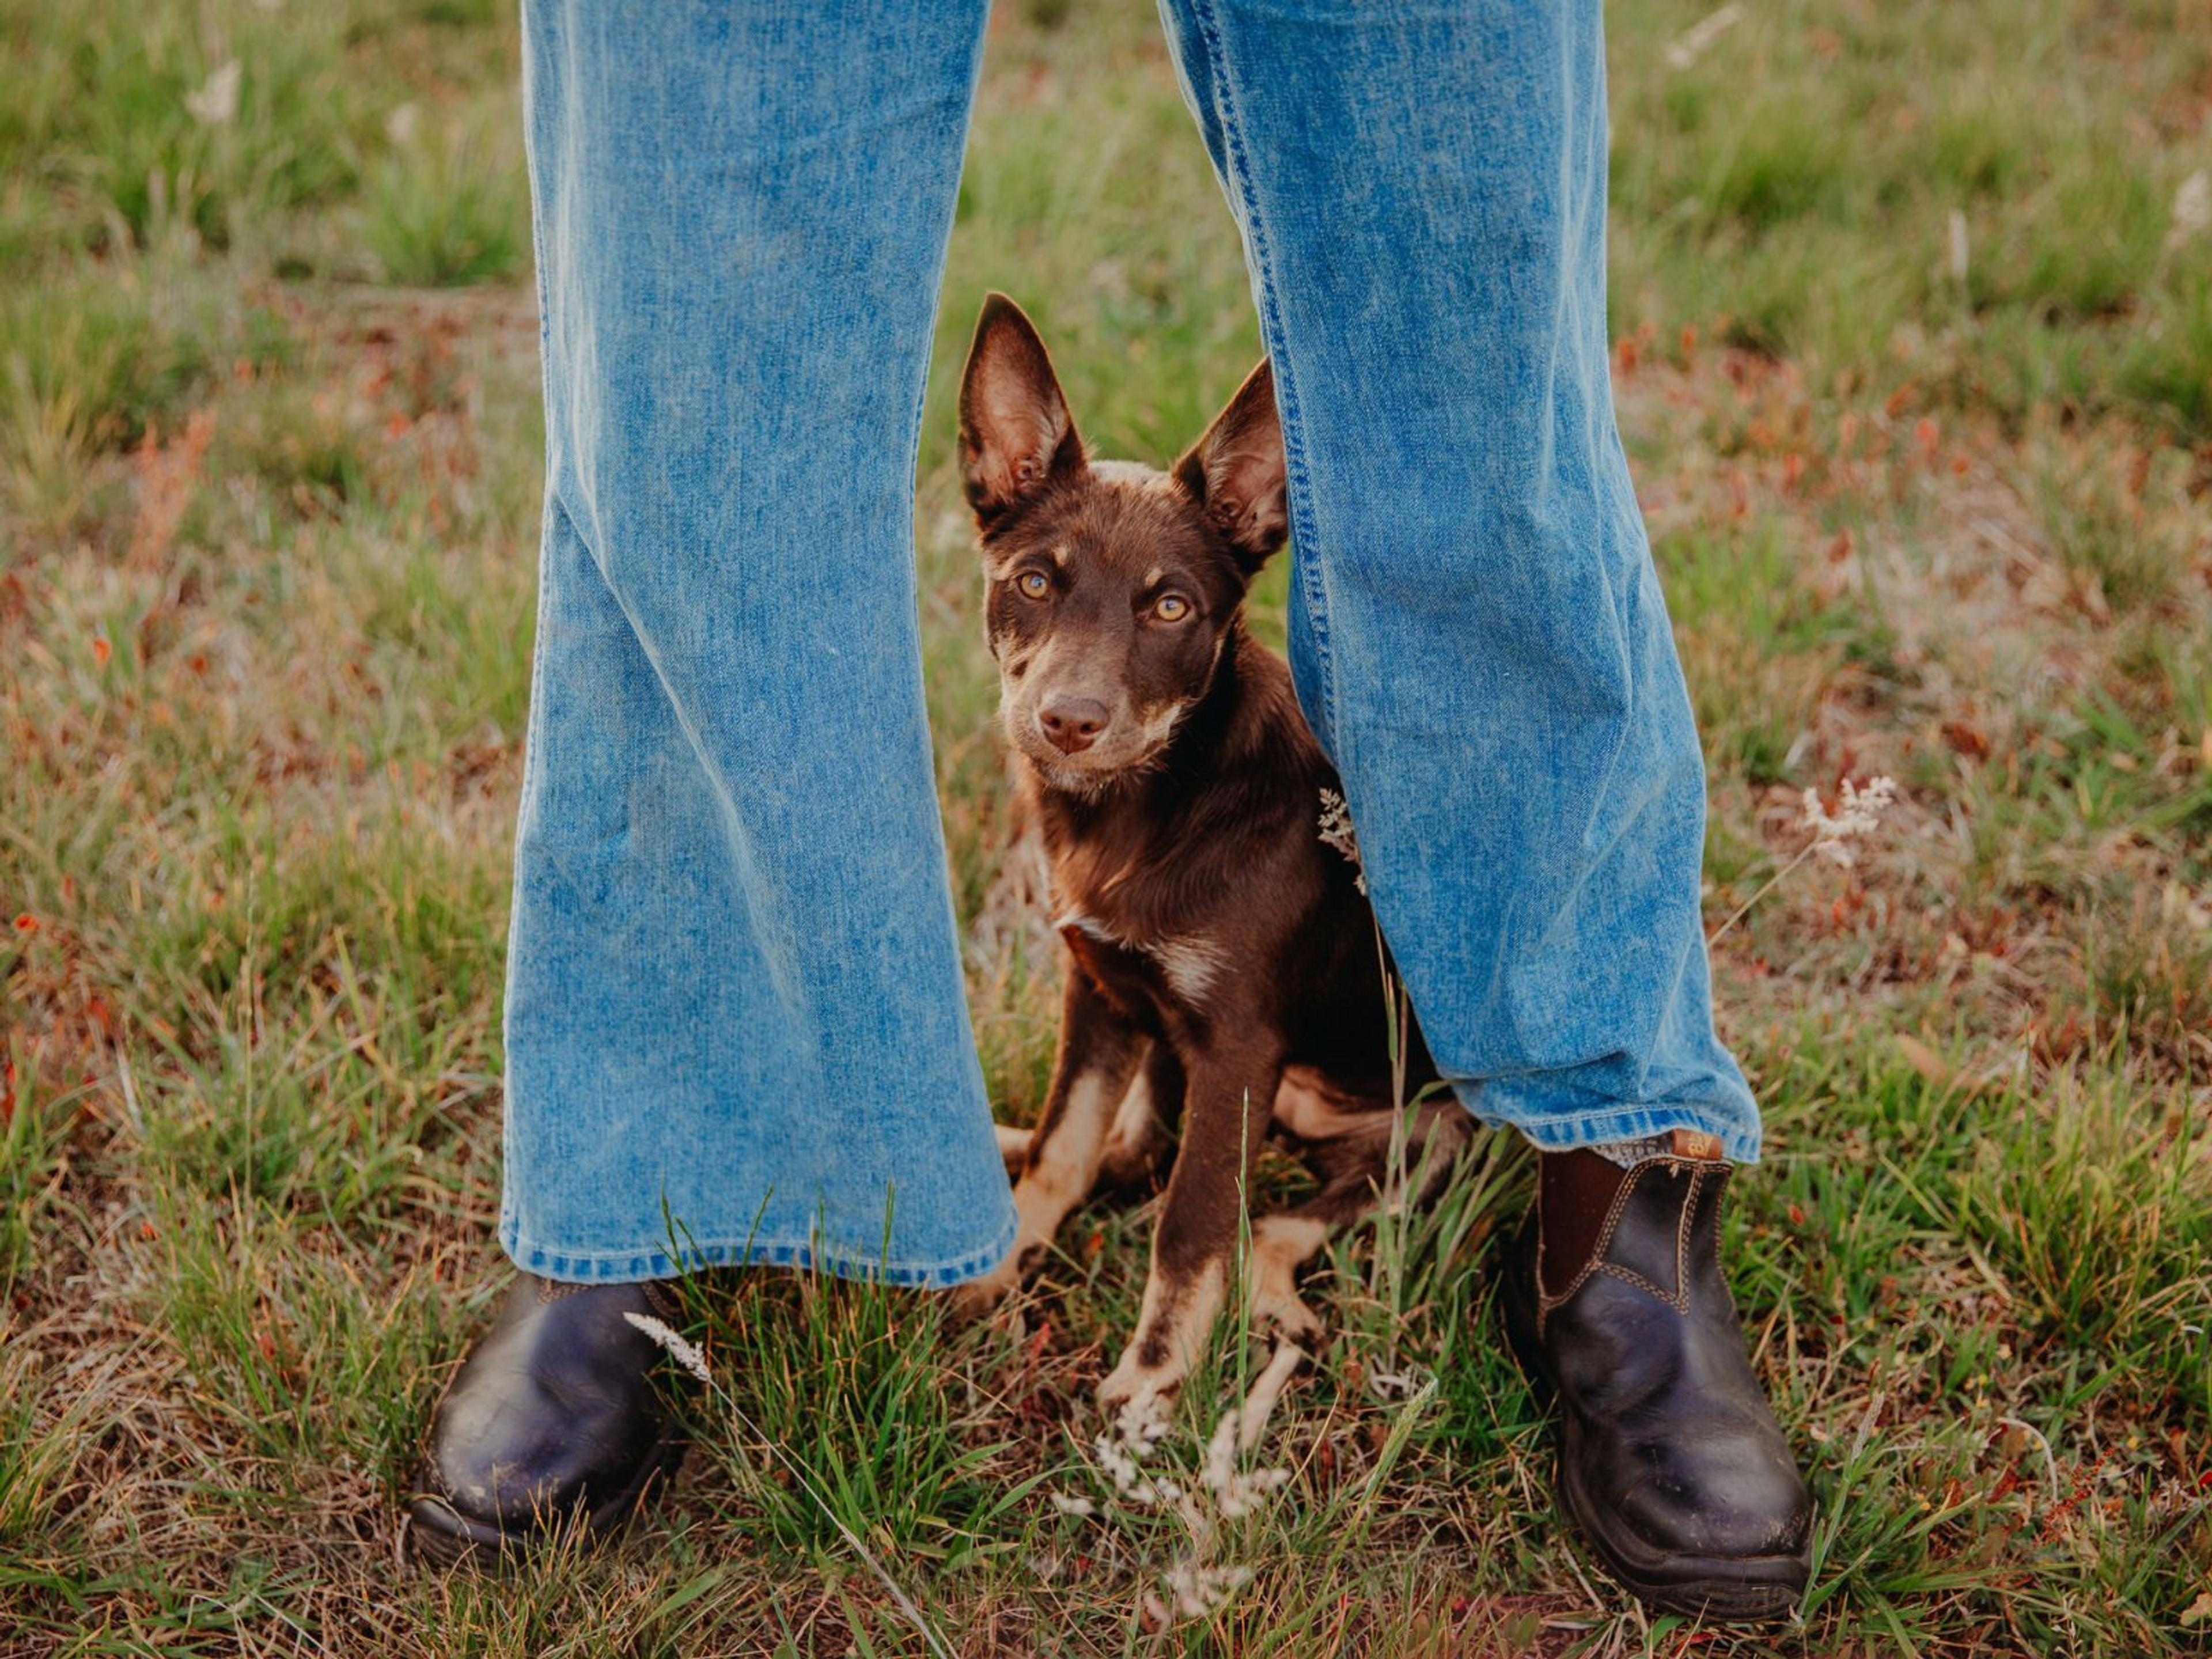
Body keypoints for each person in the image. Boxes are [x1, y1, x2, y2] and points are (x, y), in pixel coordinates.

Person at [405, 0, 1813, 1622]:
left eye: (1147, 617)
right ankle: (645, 1169)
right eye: (1041, 595)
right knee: (700, 367)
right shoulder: (1069, 666)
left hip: (1295, 1072)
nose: (1074, 682)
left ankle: (1611, 1159)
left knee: (1462, 307)